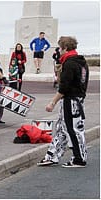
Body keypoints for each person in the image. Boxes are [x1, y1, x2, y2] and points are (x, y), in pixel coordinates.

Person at [38, 36, 89, 168]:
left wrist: (52, 102)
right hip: (78, 98)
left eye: (60, 48)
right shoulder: (81, 62)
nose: (59, 51)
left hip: (71, 99)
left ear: (65, 48)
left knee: (73, 130)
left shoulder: (70, 63)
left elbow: (64, 86)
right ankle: (52, 155)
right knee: (62, 128)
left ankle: (79, 158)